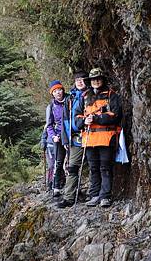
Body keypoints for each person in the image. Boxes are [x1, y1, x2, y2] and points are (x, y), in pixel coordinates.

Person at [73, 68, 122, 208]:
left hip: (106, 138)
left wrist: (96, 118)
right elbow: (76, 119)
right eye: (93, 79)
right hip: (89, 139)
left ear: (103, 80)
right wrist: (84, 121)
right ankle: (94, 195)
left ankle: (105, 196)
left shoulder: (112, 95)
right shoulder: (84, 97)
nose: (96, 81)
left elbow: (116, 115)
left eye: (98, 78)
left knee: (105, 168)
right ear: (90, 81)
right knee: (94, 168)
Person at [56, 70, 89, 208]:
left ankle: (94, 195)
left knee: (95, 165)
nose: (80, 82)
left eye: (82, 79)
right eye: (77, 80)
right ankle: (69, 197)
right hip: (75, 138)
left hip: (91, 135)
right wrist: (65, 140)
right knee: (72, 167)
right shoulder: (70, 98)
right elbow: (64, 121)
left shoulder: (91, 95)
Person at [45, 80, 68, 196]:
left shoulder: (70, 100)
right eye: (55, 91)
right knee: (58, 162)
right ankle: (56, 187)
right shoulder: (52, 106)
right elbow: (49, 125)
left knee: (72, 163)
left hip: (72, 135)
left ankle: (71, 188)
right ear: (52, 93)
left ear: (63, 90)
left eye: (59, 89)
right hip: (58, 137)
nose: (58, 92)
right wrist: (53, 136)